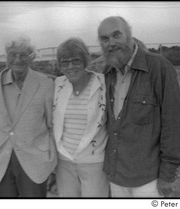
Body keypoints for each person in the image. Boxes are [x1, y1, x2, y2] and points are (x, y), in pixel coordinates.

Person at [97, 16, 180, 197]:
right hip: (116, 177)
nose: (111, 43)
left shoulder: (158, 67)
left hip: (148, 181)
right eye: (105, 39)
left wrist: (168, 175)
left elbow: (174, 122)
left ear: (129, 35)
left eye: (116, 35)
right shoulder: (107, 73)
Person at [0, 35, 57, 197]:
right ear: (7, 57)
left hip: (34, 161)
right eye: (13, 54)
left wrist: (47, 154)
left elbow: (51, 124)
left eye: (23, 55)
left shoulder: (46, 84)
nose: (18, 59)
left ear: (31, 57)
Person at [53, 37, 109, 197]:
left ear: (85, 61)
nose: (70, 66)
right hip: (64, 160)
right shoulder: (58, 84)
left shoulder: (104, 84)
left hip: (94, 161)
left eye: (76, 61)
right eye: (65, 62)